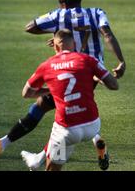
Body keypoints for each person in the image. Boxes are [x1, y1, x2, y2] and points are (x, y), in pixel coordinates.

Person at [0, 0, 125, 170]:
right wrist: (121, 61)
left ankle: (4, 145)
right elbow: (107, 34)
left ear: (62, 4)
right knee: (79, 108)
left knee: (49, 108)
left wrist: (59, 34)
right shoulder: (96, 12)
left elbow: (30, 27)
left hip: (69, 69)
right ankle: (97, 142)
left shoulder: (60, 15)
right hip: (93, 71)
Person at [20, 29, 118, 171]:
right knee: (68, 135)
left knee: (56, 155)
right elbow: (113, 85)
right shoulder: (87, 59)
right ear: (73, 44)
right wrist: (97, 76)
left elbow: (26, 93)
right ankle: (37, 159)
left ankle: (37, 161)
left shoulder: (47, 65)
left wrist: (50, 89)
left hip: (67, 130)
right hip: (92, 125)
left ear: (55, 46)